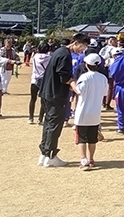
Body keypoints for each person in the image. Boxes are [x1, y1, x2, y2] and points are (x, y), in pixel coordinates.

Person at [38, 32, 90, 167]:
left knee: (48, 124)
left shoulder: (58, 51)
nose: (82, 50)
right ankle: (50, 155)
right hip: (56, 94)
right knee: (55, 125)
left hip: (47, 93)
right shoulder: (65, 55)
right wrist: (76, 89)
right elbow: (64, 76)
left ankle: (44, 154)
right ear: (76, 43)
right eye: (82, 47)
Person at [73, 53, 108, 170]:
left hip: (83, 112)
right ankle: (91, 159)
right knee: (92, 139)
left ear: (87, 65)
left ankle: (83, 160)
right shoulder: (103, 78)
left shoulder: (84, 77)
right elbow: (105, 93)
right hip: (95, 113)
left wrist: (72, 84)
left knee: (81, 138)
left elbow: (79, 91)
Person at [109, 46, 124, 134]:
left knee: (120, 109)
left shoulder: (114, 64)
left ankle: (121, 128)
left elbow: (112, 76)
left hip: (119, 87)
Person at [28, 41, 51, 124]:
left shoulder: (35, 57)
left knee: (33, 99)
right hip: (44, 80)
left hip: (34, 79)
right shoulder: (49, 58)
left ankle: (31, 118)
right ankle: (40, 119)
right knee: (43, 100)